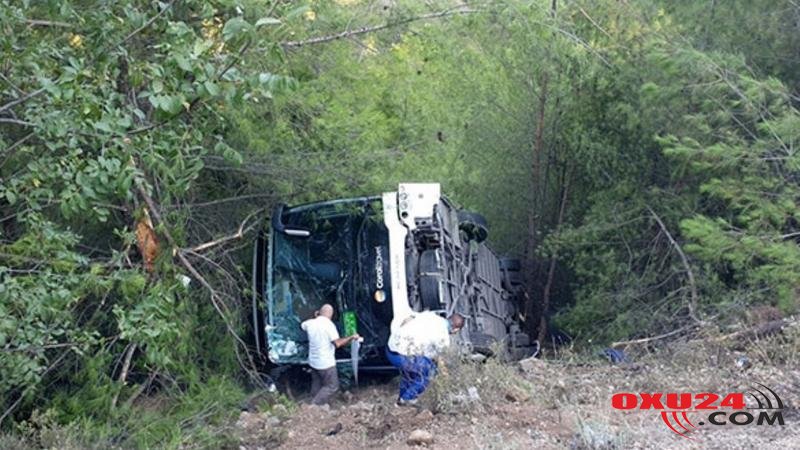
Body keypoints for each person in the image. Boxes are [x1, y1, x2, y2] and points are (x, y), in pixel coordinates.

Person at [386, 311, 464, 406]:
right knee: (430, 371)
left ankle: (402, 395)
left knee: (415, 368)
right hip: (401, 358)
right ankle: (406, 399)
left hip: (390, 348)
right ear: (456, 330)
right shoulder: (444, 338)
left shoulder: (431, 315)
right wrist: (447, 380)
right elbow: (440, 362)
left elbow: (408, 318)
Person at [300, 304, 360, 405]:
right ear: (331, 314)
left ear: (319, 312)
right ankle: (314, 405)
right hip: (325, 363)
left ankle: (313, 401)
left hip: (313, 361)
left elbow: (302, 326)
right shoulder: (329, 325)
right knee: (332, 386)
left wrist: (315, 316)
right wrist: (351, 337)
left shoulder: (310, 323)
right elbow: (337, 343)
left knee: (317, 383)